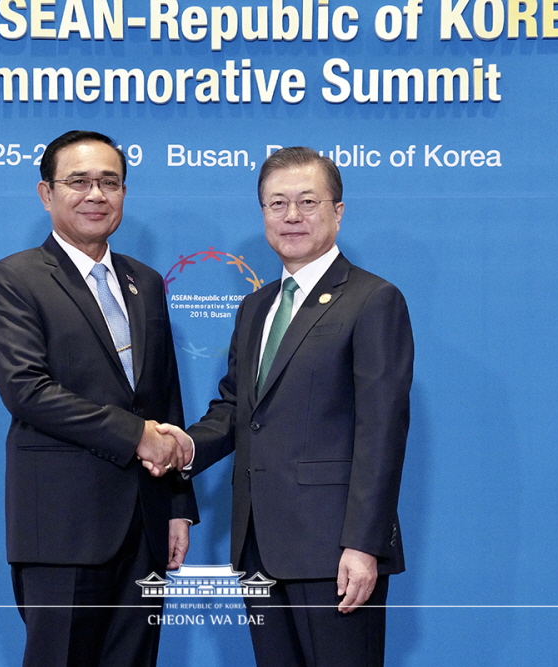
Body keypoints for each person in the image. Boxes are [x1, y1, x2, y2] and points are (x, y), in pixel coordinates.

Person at [158, 146, 413, 666]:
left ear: (338, 211)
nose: (291, 216)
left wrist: (364, 546)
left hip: (334, 552)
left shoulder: (373, 299)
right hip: (258, 548)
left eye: (307, 201)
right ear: (263, 215)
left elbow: (382, 431)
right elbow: (236, 409)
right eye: (277, 204)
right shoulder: (256, 306)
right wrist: (182, 446)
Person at [0, 129, 197, 667]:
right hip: (62, 526)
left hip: (144, 525)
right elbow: (26, 390)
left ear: (124, 192)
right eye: (78, 182)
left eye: (110, 182)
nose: (95, 195)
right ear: (46, 193)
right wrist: (136, 436)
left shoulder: (144, 282)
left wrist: (177, 505)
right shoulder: (16, 278)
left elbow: (163, 395)